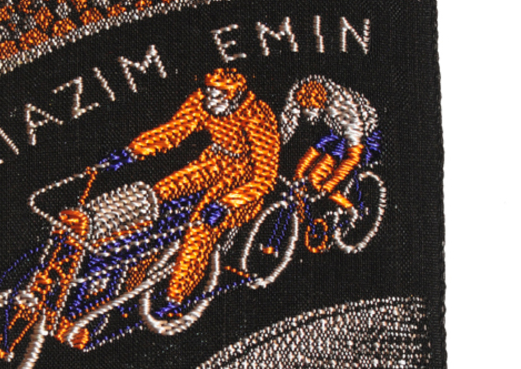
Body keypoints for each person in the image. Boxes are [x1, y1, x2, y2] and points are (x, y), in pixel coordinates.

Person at [99, 67, 280, 314]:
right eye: (209, 92)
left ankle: (175, 299)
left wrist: (227, 203)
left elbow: (265, 177)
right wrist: (133, 151)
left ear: (235, 97)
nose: (210, 99)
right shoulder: (203, 101)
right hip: (213, 161)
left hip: (245, 182)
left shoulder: (258, 116)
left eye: (218, 96)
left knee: (201, 228)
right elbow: (175, 130)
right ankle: (131, 286)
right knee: (157, 197)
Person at [280, 76, 381, 212]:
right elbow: (317, 146)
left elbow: (354, 155)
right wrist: (299, 173)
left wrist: (331, 184)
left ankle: (349, 209)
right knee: (303, 176)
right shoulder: (324, 110)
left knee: (316, 180)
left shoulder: (346, 114)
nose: (307, 112)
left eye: (311, 107)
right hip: (337, 135)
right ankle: (302, 211)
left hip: (362, 140)